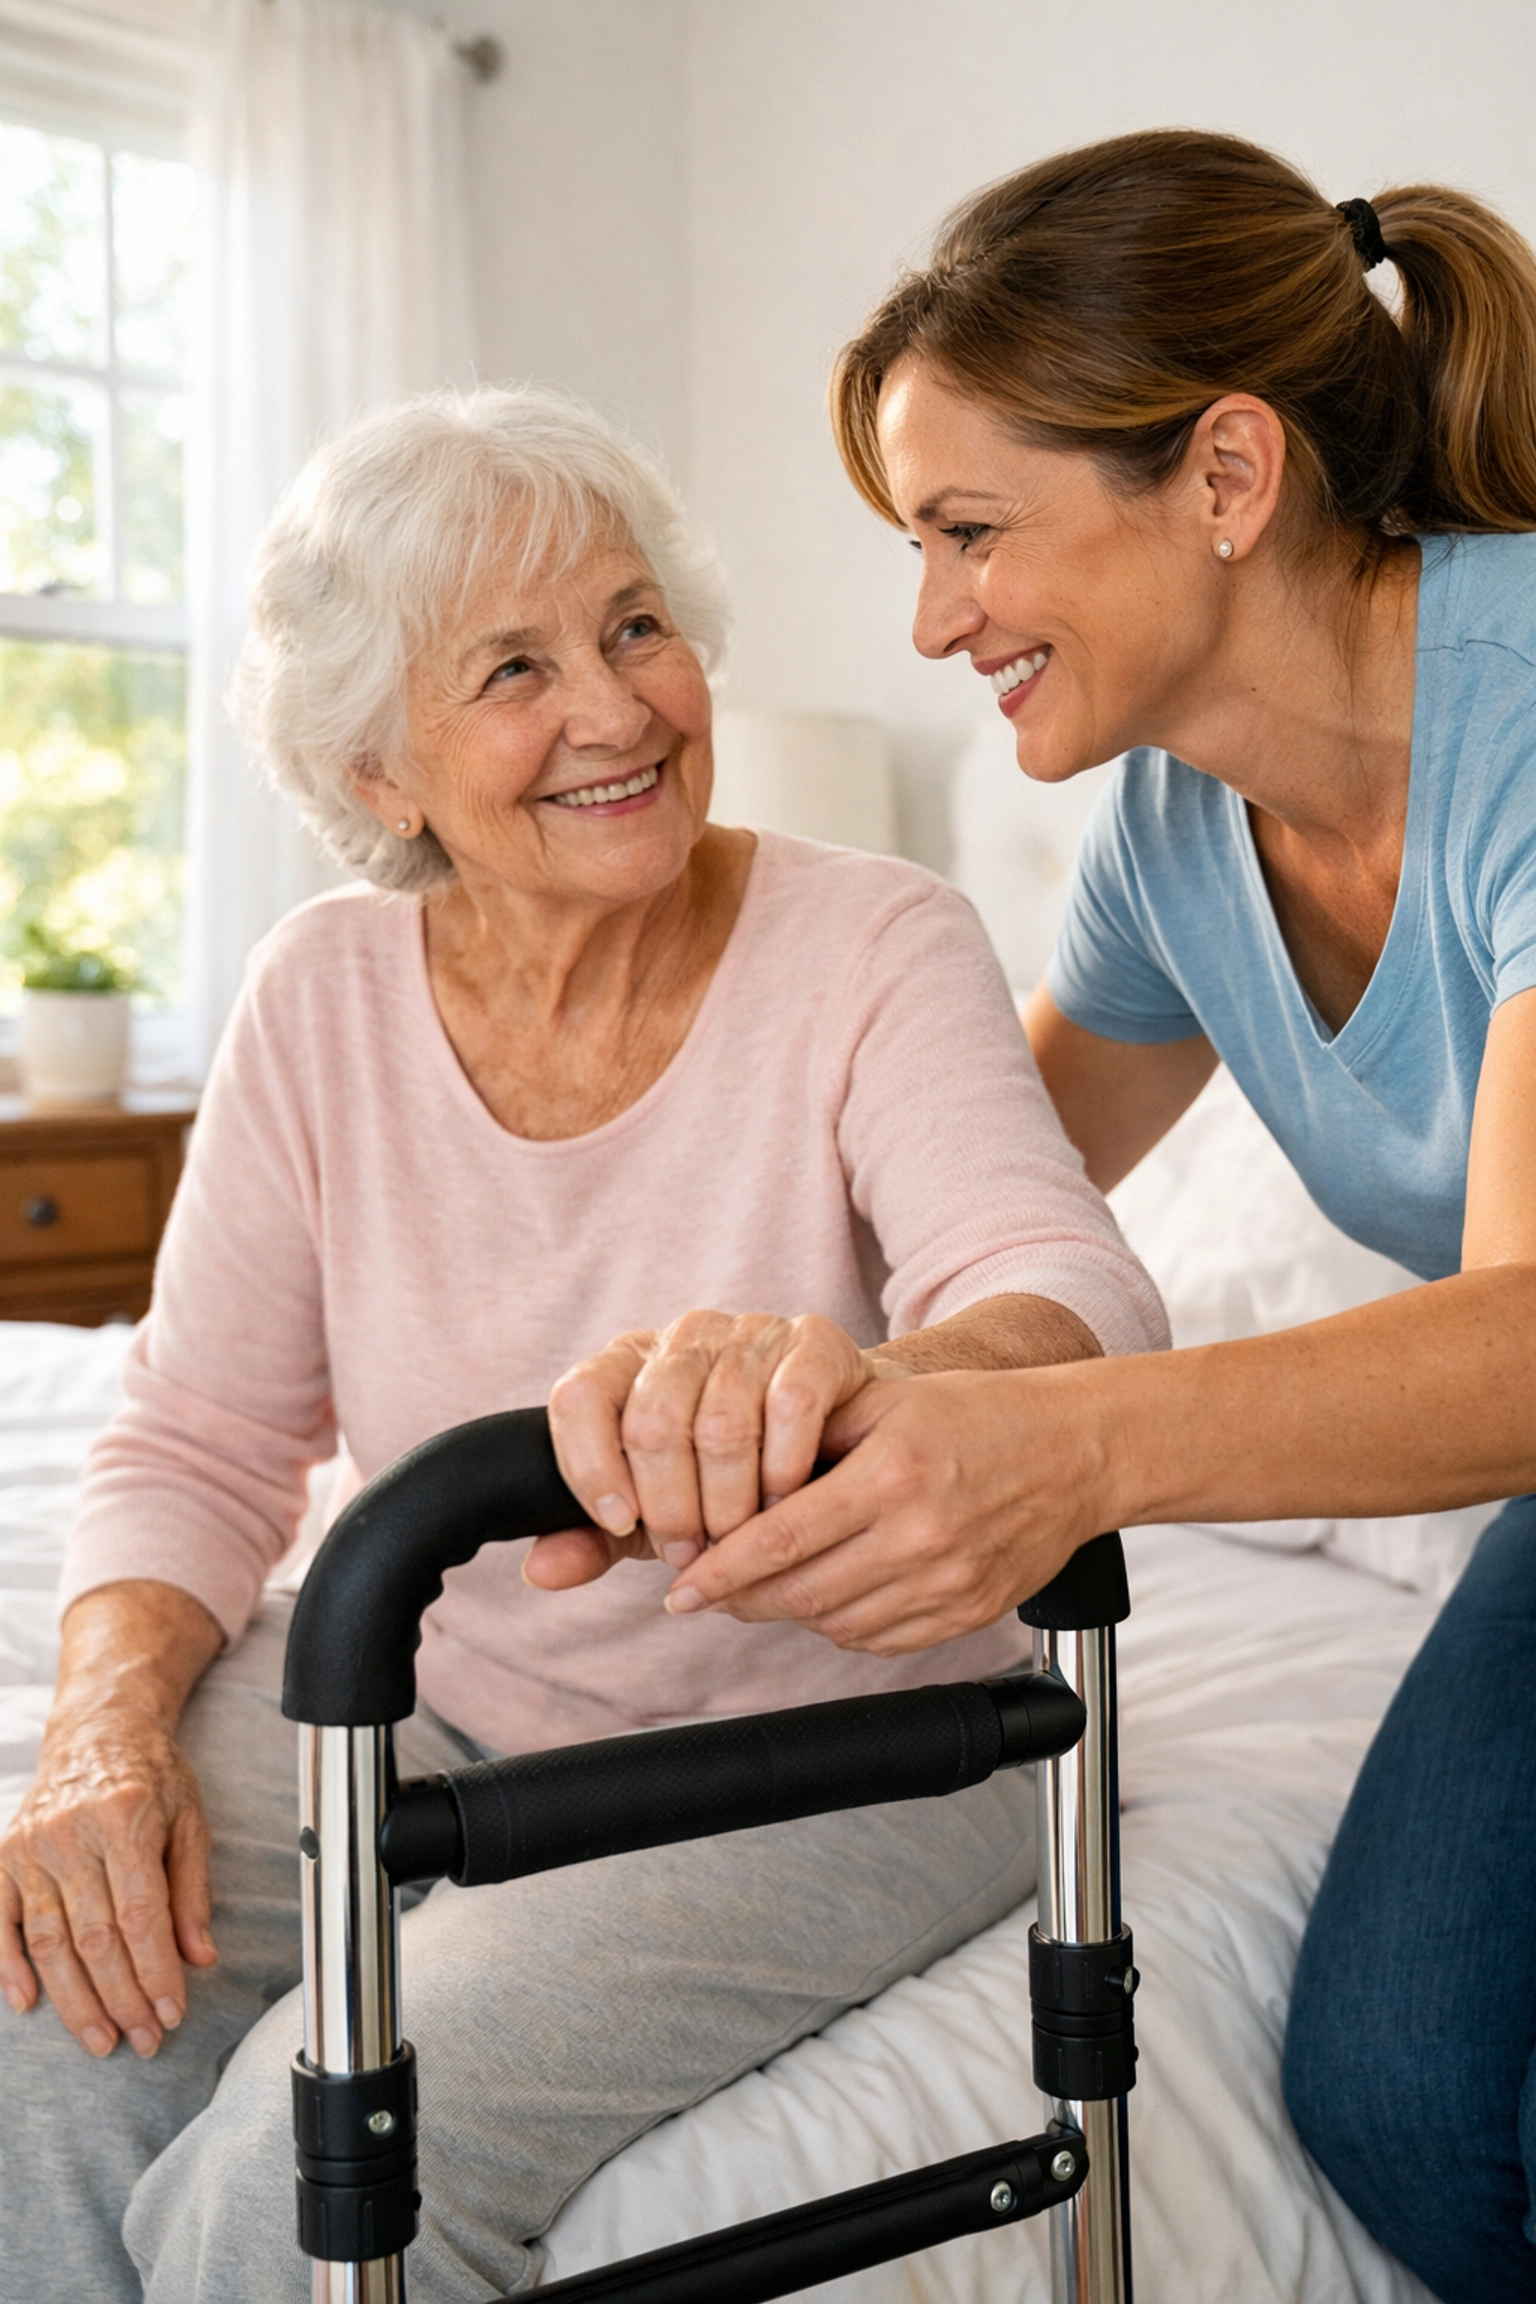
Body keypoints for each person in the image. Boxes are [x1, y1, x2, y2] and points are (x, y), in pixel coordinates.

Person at [0, 384, 1164, 2300]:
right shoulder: (318, 999)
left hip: (854, 1754)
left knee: (287, 2189)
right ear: (383, 771)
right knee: (46, 2017)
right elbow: (202, 1435)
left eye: (636, 628)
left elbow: (1063, 1289)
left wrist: (858, 1388)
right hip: (442, 1705)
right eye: (515, 669)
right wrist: (99, 1736)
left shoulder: (873, 942)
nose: (617, 709)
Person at [618, 132, 1536, 2303]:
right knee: (1405, 2102)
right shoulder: (1169, 837)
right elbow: (964, 1223)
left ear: (1227, 475)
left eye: (968, 534)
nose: (934, 618)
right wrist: (700, 1383)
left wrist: (1073, 1445)